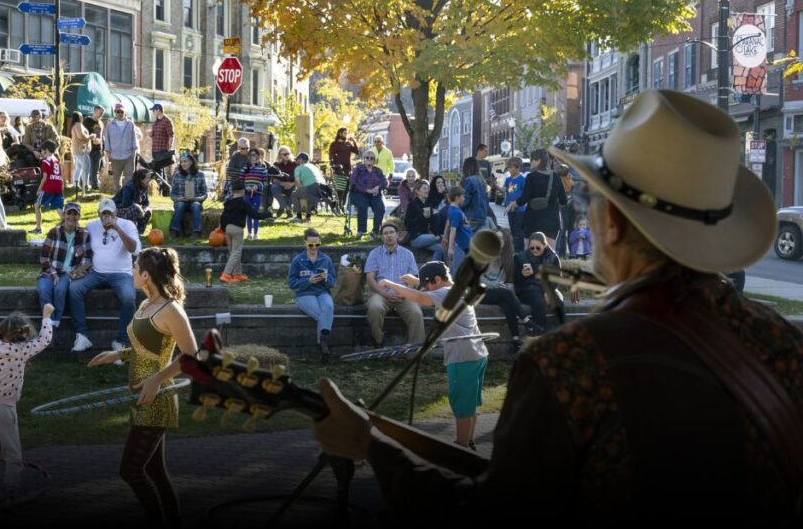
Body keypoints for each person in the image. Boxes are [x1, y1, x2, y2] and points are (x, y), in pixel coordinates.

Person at [310, 89, 803, 521]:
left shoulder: (571, 364)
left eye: (593, 199)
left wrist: (372, 447)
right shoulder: (784, 345)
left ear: (610, 222)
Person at [87, 247, 199, 528]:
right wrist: (118, 355)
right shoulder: (145, 304)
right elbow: (143, 347)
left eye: (135, 268)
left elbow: (192, 356)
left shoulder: (170, 309)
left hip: (157, 398)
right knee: (155, 472)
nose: (132, 272)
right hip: (140, 395)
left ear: (146, 275)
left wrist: (157, 379)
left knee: (131, 471)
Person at [378, 261, 488, 447]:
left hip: (462, 356)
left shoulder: (445, 293)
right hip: (477, 354)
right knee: (469, 405)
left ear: (438, 279)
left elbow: (421, 298)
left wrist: (391, 284)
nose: (427, 289)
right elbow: (427, 291)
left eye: (428, 284)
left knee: (462, 408)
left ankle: (461, 449)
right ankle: (468, 441)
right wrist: (417, 281)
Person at [0, 298, 54, 502]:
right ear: (24, 334)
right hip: (4, 407)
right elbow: (45, 339)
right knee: (12, 453)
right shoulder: (22, 350)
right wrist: (46, 316)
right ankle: (12, 490)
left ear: (2, 329)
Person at [68, 198, 141, 353]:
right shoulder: (91, 226)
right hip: (96, 272)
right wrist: (80, 252)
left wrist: (118, 229)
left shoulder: (127, 225)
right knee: (74, 289)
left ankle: (121, 341)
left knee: (129, 298)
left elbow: (134, 250)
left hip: (121, 274)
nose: (107, 216)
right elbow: (80, 246)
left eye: (110, 213)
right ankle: (82, 335)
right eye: (104, 213)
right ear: (99, 214)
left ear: (115, 213)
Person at [364, 223, 424, 347]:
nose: (389, 236)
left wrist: (405, 293)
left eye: (391, 232)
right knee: (375, 308)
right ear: (382, 237)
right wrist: (384, 293)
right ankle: (378, 342)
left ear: (397, 235)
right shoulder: (375, 253)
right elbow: (370, 278)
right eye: (385, 233)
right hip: (381, 294)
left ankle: (415, 349)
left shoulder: (408, 254)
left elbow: (414, 279)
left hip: (404, 295)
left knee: (416, 313)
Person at [288, 228, 337, 364]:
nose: (314, 247)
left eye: (317, 244)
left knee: (328, 306)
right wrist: (308, 281)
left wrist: (326, 279)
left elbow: (333, 282)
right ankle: (324, 345)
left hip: (322, 291)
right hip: (305, 293)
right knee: (322, 314)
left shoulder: (326, 259)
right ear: (305, 244)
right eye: (311, 245)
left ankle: (322, 344)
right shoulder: (298, 260)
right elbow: (291, 283)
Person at [38, 202, 89, 329]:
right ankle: (47, 322)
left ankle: (55, 323)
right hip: (50, 271)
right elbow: (44, 258)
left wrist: (75, 272)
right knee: (44, 289)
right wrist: (54, 274)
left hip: (69, 273)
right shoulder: (54, 232)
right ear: (64, 215)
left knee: (60, 290)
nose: (71, 217)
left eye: (75, 214)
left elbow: (87, 260)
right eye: (69, 213)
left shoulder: (84, 234)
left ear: (79, 217)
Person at [478, 227, 527, 352]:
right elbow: (479, 279)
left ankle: (516, 340)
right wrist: (497, 285)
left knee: (506, 303)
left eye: (500, 238)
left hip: (495, 293)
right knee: (504, 293)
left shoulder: (507, 258)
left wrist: (501, 286)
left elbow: (504, 281)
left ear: (505, 241)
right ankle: (526, 320)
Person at [508, 148, 567, 248]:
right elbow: (563, 200)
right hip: (551, 221)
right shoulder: (556, 176)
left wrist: (513, 204)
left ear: (538, 161)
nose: (530, 162)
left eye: (532, 160)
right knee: (549, 256)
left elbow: (524, 199)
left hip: (532, 221)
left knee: (530, 253)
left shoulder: (531, 177)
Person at [220, 180, 273, 283]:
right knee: (236, 252)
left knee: (233, 252)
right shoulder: (243, 203)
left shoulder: (227, 203)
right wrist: (268, 214)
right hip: (237, 229)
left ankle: (237, 274)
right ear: (243, 191)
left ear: (233, 191)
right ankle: (226, 274)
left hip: (228, 229)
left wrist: (222, 229)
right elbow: (254, 215)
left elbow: (223, 218)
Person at [514, 233, 562, 335]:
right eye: (532, 248)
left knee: (558, 301)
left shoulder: (553, 257)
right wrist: (522, 274)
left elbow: (557, 277)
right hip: (528, 287)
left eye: (538, 248)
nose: (535, 250)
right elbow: (515, 280)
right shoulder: (520, 257)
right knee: (539, 302)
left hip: (547, 286)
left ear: (544, 245)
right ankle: (540, 333)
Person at [349, 150, 389, 239]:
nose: (369, 159)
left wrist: (377, 188)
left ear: (375, 160)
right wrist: (367, 190)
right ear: (364, 159)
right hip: (359, 193)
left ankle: (375, 231)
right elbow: (354, 181)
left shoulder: (378, 171)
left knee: (380, 207)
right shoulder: (358, 169)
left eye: (372, 158)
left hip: (375, 194)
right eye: (367, 157)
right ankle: (361, 231)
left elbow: (385, 181)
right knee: (363, 204)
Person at [403, 180, 445, 261]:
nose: (427, 191)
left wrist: (433, 218)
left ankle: (433, 269)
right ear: (417, 191)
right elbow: (407, 223)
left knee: (440, 248)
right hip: (416, 237)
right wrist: (422, 216)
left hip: (427, 236)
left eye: (428, 189)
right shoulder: (413, 204)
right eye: (424, 189)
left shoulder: (428, 205)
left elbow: (432, 224)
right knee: (444, 237)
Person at [169, 153, 208, 238]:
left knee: (196, 206)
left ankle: (196, 232)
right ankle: (174, 231)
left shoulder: (200, 174)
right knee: (180, 205)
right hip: (181, 201)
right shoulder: (177, 175)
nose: (183, 164)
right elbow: (172, 194)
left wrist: (197, 198)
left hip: (195, 201)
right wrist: (179, 198)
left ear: (191, 162)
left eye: (185, 161)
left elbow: (205, 193)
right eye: (181, 162)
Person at [103, 103, 139, 192]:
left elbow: (134, 138)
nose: (119, 113)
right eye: (117, 111)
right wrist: (108, 153)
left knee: (129, 179)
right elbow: (107, 139)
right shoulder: (110, 124)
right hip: (115, 156)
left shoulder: (130, 124)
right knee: (116, 181)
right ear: (115, 112)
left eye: (121, 111)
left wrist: (134, 152)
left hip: (129, 156)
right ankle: (117, 200)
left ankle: (128, 198)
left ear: (124, 112)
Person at [31, 141, 64, 234]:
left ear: (46, 150)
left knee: (37, 206)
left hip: (49, 187)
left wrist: (39, 189)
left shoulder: (45, 161)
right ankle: (70, 225)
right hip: (58, 186)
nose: (41, 153)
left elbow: (45, 177)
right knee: (59, 208)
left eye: (42, 150)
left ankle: (38, 228)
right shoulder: (57, 160)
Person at [443, 185, 473, 274]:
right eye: (463, 196)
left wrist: (445, 237)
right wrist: (451, 248)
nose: (464, 198)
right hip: (462, 244)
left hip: (466, 242)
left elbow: (448, 222)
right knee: (456, 269)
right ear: (457, 198)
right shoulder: (456, 212)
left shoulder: (452, 209)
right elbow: (453, 230)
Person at [114, 168, 152, 234]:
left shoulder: (144, 187)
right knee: (134, 209)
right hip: (117, 209)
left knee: (147, 211)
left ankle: (138, 232)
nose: (150, 180)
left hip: (133, 208)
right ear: (141, 179)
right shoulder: (129, 186)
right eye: (148, 178)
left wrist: (144, 209)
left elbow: (146, 202)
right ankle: (129, 230)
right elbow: (126, 203)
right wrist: (138, 208)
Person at [290, 153, 325, 223]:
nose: (296, 161)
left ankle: (298, 216)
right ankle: (308, 217)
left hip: (312, 188)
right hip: (323, 190)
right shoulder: (314, 167)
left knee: (294, 194)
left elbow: (298, 182)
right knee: (308, 194)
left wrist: (299, 189)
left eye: (297, 159)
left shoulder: (298, 168)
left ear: (300, 160)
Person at [501, 157, 527, 252]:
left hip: (520, 210)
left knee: (518, 231)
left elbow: (525, 195)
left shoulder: (522, 180)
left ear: (517, 167)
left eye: (510, 168)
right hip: (509, 210)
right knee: (512, 230)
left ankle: (519, 251)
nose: (509, 170)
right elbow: (504, 191)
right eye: (508, 168)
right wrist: (495, 185)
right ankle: (515, 250)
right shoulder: (508, 179)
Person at [242, 148, 268, 240]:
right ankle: (249, 233)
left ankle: (256, 233)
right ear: (248, 157)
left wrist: (258, 186)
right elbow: (241, 180)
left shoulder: (262, 168)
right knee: (249, 213)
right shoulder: (245, 168)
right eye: (251, 155)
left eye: (255, 155)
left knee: (256, 213)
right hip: (247, 194)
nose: (253, 157)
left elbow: (265, 182)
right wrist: (246, 186)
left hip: (257, 194)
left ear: (258, 156)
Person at [460, 157, 490, 232]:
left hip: (471, 216)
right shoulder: (482, 180)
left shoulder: (469, 180)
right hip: (482, 216)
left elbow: (465, 201)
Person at [270, 146, 298, 218]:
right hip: (280, 185)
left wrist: (291, 184)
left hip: (292, 185)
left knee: (294, 190)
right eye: (285, 154)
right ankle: (284, 207)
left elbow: (298, 178)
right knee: (274, 187)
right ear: (280, 155)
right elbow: (274, 179)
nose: (287, 155)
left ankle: (287, 210)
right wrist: (283, 183)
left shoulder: (295, 164)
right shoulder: (276, 164)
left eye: (288, 153)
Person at [70, 112, 93, 192]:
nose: (82, 117)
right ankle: (85, 185)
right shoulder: (78, 125)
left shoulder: (75, 125)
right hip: (81, 151)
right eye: (81, 116)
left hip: (77, 150)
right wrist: (90, 137)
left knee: (79, 167)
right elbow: (81, 136)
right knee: (86, 167)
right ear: (78, 117)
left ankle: (75, 184)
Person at [85, 105, 106, 191]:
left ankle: (94, 184)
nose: (102, 114)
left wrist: (103, 147)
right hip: (89, 148)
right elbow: (84, 134)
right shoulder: (87, 121)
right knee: (89, 168)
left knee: (97, 167)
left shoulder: (101, 123)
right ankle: (89, 185)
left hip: (99, 148)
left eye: (103, 113)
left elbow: (102, 136)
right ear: (95, 111)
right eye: (101, 112)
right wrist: (91, 139)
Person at [150, 103, 174, 171]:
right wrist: (151, 134)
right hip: (154, 150)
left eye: (153, 110)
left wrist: (169, 149)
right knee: (157, 170)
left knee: (160, 170)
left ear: (158, 110)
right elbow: (155, 136)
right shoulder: (155, 123)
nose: (153, 112)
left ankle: (161, 181)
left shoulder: (167, 121)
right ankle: (158, 181)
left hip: (162, 151)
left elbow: (171, 136)